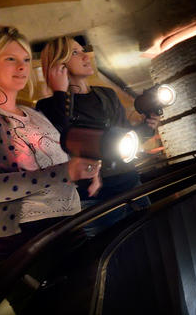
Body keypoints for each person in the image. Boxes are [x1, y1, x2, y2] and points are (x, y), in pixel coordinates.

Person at [0, 26, 102, 269]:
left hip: (72, 228)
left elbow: (58, 166)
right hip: (26, 245)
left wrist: (85, 169)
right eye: (11, 59)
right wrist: (65, 172)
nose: (22, 67)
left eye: (26, 60)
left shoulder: (34, 113)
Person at [36, 36, 160, 236]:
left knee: (153, 240)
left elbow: (124, 138)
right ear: (59, 65)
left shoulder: (107, 94)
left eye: (82, 50)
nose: (86, 56)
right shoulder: (49, 106)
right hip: (96, 197)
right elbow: (64, 140)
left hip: (130, 182)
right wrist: (60, 93)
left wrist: (146, 127)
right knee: (114, 257)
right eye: (75, 53)